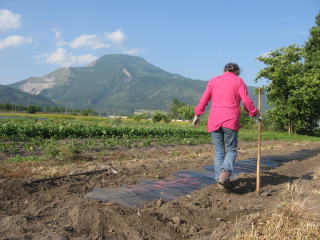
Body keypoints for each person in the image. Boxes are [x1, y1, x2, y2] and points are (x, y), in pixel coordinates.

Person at [192, 63, 259, 190]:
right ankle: (225, 174)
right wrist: (254, 112)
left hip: (214, 120)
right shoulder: (238, 81)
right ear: (237, 71)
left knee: (219, 152)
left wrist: (197, 115)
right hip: (230, 120)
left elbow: (204, 100)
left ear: (224, 70)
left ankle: (220, 182)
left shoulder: (213, 81)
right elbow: (246, 101)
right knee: (231, 150)